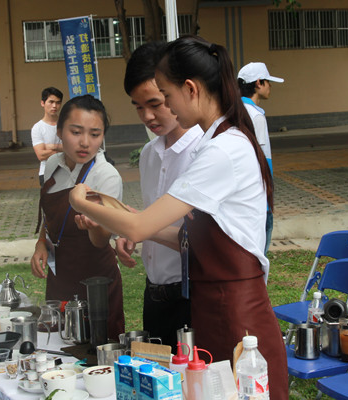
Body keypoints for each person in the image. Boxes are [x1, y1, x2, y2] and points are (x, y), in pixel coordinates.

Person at [69, 36, 288, 398]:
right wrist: (123, 218)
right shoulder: (219, 142)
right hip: (213, 306)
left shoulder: (223, 149)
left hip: (236, 314)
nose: (164, 107)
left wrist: (80, 201)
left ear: (190, 89)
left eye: (166, 97)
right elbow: (187, 238)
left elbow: (139, 227)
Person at [116, 41, 202, 349]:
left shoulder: (203, 152)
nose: (147, 116)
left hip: (192, 293)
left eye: (155, 103)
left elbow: (201, 242)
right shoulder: (149, 154)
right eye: (138, 107)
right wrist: (133, 233)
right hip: (154, 292)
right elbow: (151, 218)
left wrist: (138, 226)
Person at [31, 95, 125, 340]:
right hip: (59, 275)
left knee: (96, 348)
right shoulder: (53, 163)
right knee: (56, 344)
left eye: (95, 134)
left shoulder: (106, 176)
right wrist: (41, 242)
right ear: (59, 131)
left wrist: (94, 227)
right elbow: (49, 214)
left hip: (96, 282)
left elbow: (102, 240)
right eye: (76, 132)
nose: (85, 143)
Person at [237, 62, 284, 255]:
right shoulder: (256, 116)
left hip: (242, 198)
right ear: (258, 83)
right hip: (258, 200)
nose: (270, 86)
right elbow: (262, 160)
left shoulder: (235, 111)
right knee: (259, 254)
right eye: (267, 82)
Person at [32, 87, 64, 186]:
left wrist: (52, 146)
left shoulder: (67, 124)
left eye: (58, 103)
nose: (54, 106)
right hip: (46, 173)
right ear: (43, 103)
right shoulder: (37, 128)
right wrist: (63, 150)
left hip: (67, 172)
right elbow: (41, 155)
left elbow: (73, 148)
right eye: (51, 102)